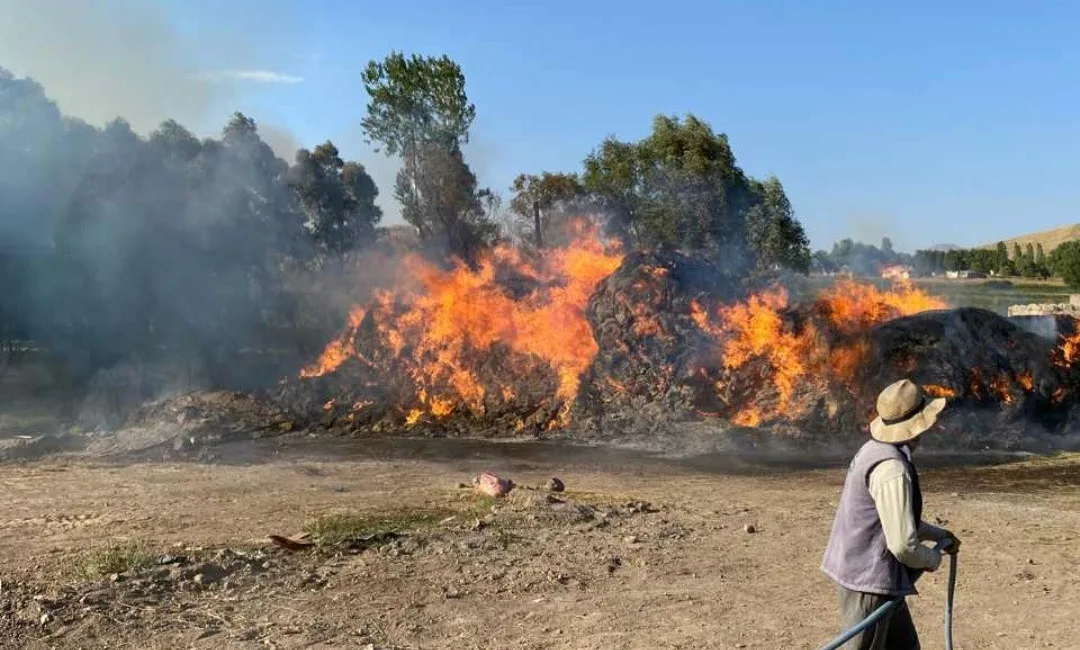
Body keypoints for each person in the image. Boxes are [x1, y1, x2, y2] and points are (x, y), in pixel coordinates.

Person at [820, 378, 961, 650]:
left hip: (873, 575)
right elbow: (902, 545)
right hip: (869, 582)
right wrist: (932, 559)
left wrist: (939, 534)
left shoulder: (874, 450)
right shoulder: (892, 469)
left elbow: (893, 520)